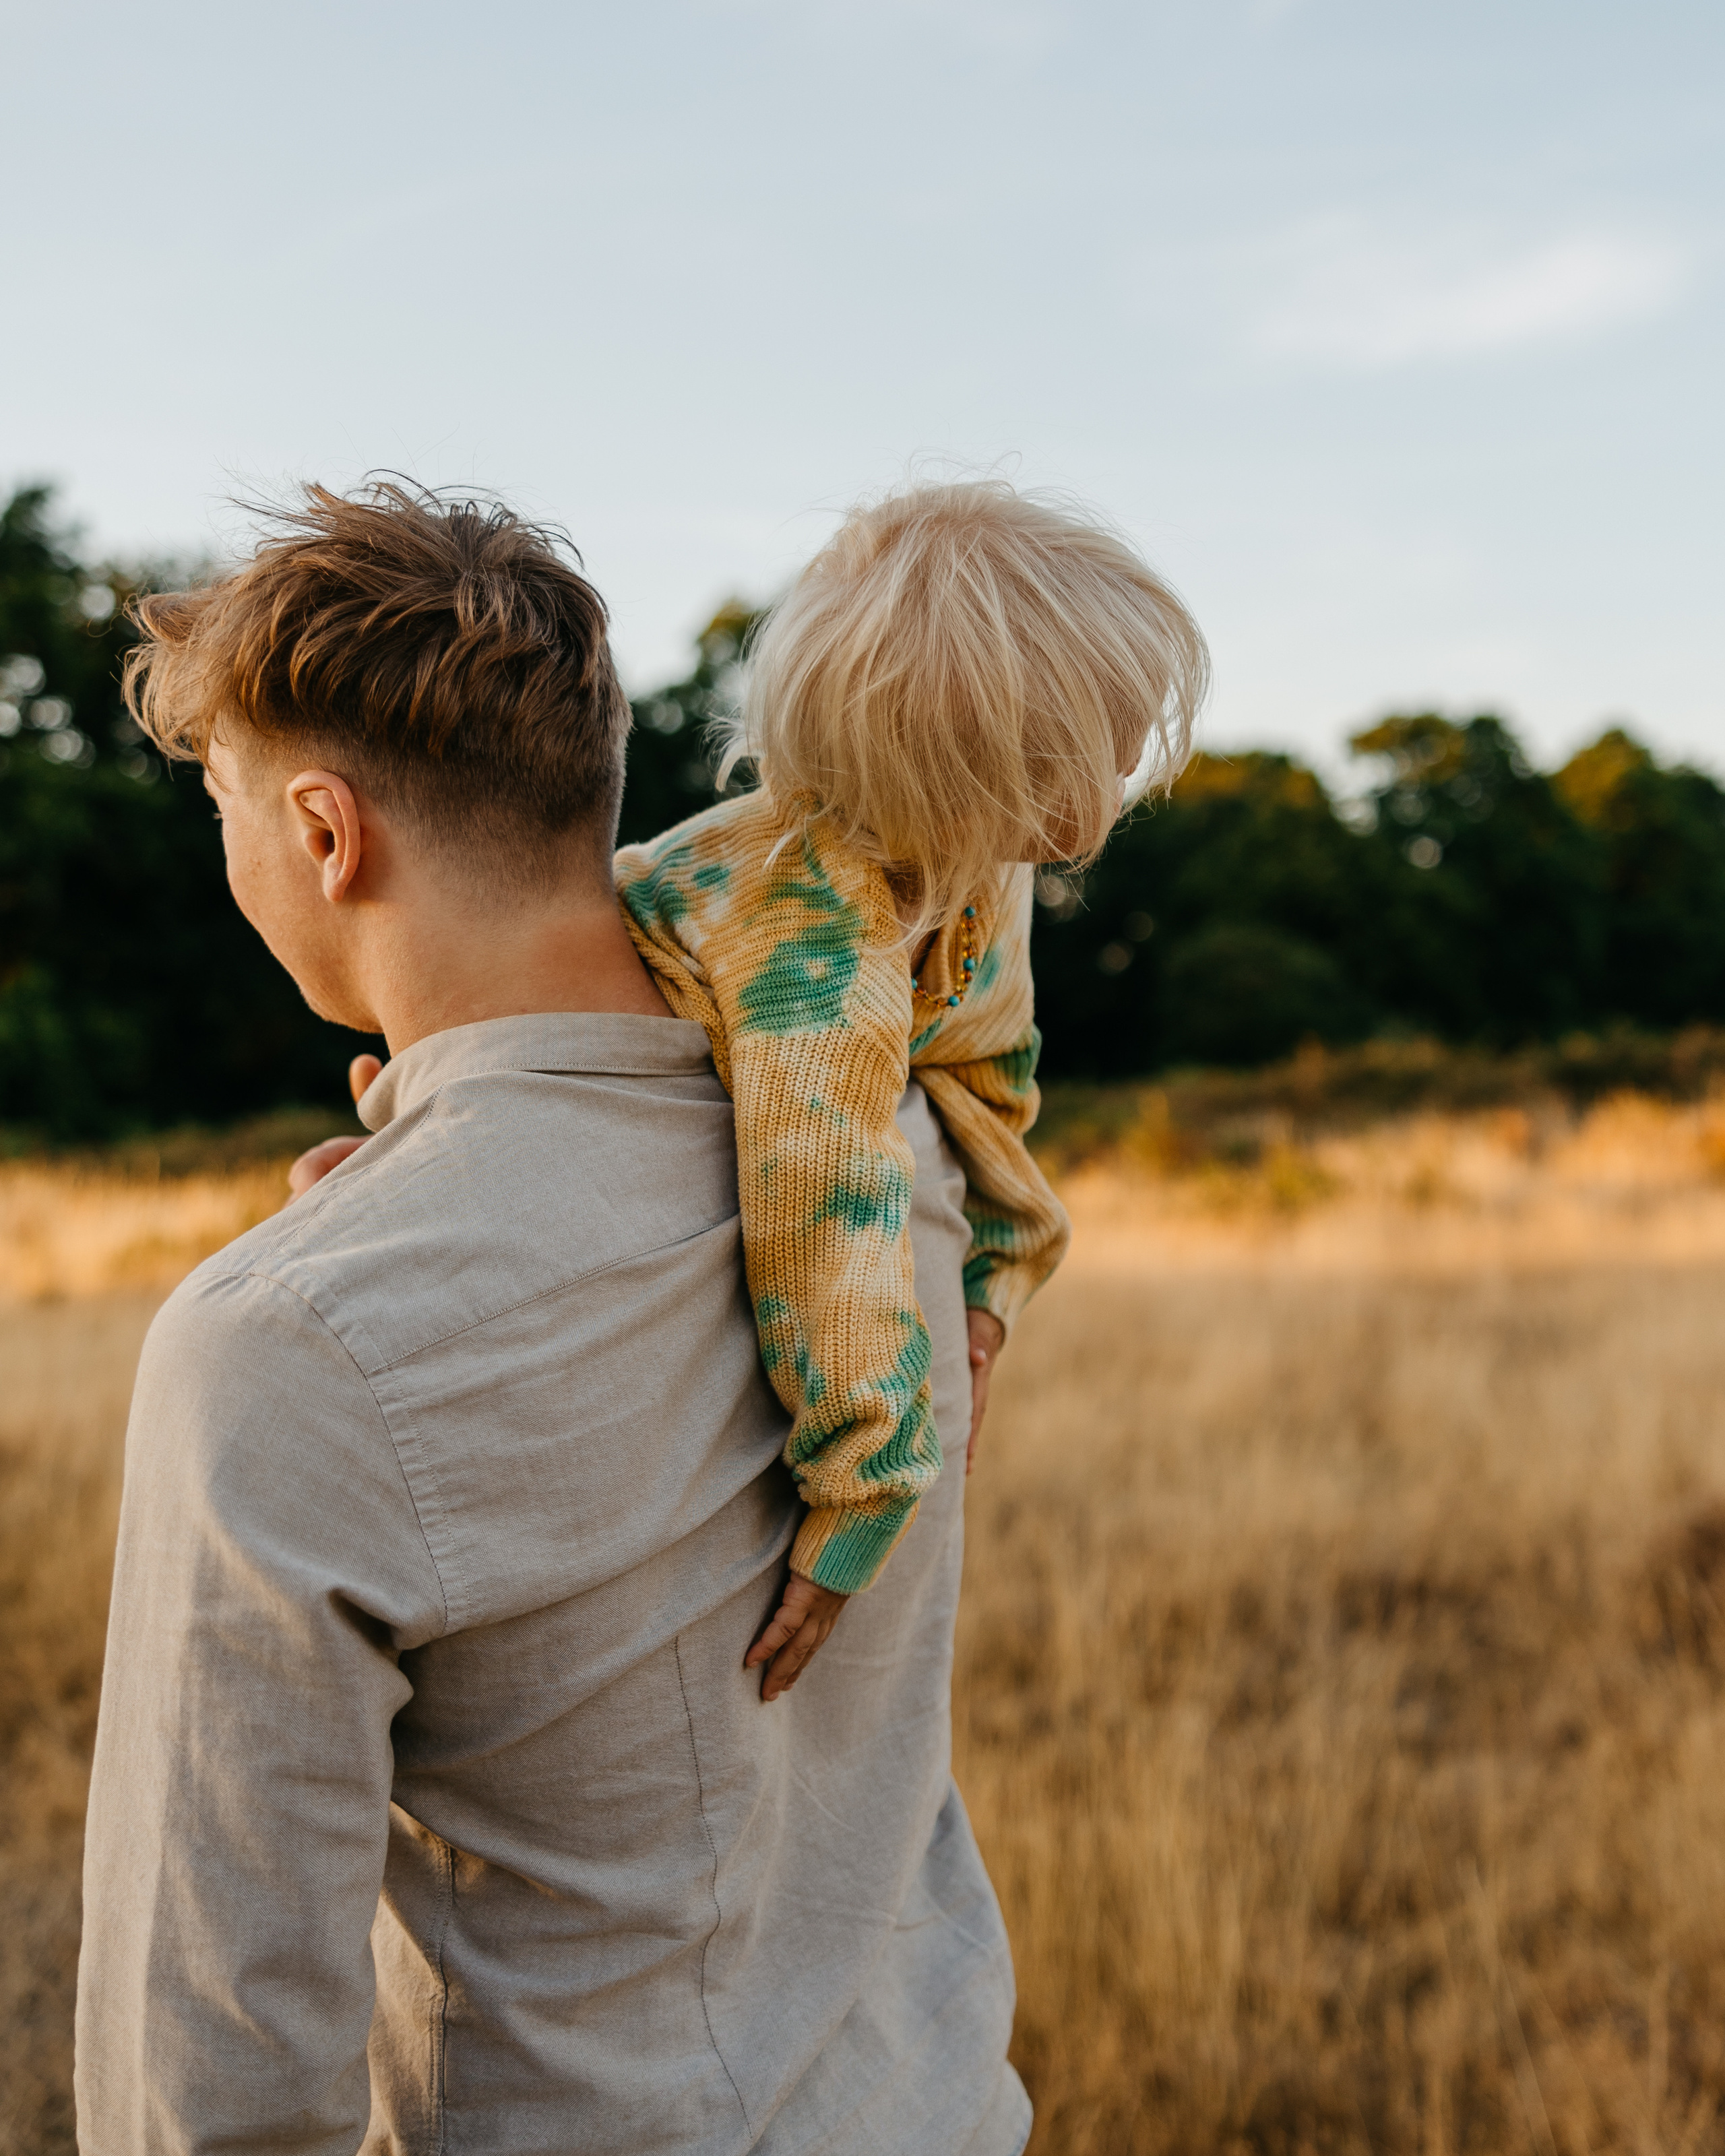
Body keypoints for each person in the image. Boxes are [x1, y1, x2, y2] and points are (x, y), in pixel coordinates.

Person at [75, 482, 1030, 2153]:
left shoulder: (286, 1344)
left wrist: (359, 1262)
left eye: (221, 808)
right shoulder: (893, 1141)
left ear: (323, 831)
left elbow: (213, 2066)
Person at [616, 479, 1209, 1678]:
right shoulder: (812, 936)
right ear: (984, 775)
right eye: (1106, 743)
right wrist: (866, 1488)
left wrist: (1001, 1264)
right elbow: (823, 1207)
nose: (1134, 767)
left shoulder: (980, 868)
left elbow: (990, 1059)